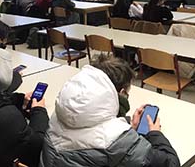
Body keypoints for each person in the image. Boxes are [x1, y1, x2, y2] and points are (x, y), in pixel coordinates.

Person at [39, 55, 181, 167]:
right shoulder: (117, 140)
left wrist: (127, 126)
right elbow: (171, 163)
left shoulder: (61, 111)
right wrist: (155, 133)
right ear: (121, 93)